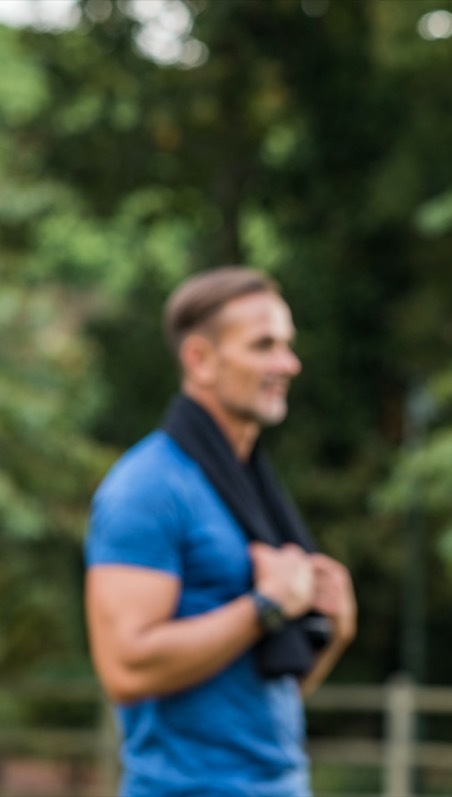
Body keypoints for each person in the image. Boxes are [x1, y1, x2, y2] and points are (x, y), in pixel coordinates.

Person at [84, 267, 358, 797]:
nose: (289, 364)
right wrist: (266, 607)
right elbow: (125, 670)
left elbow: (263, 700)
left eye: (287, 345)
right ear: (199, 359)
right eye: (264, 346)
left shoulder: (250, 486)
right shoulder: (148, 487)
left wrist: (334, 631)